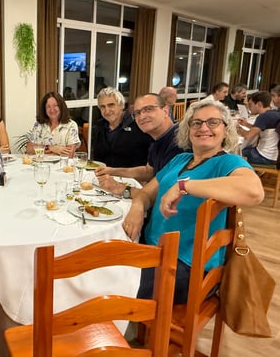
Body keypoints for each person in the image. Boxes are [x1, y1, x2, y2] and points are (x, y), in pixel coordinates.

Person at [122, 99, 264, 303]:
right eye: (196, 123)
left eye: (213, 122)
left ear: (226, 130)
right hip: (152, 249)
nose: (203, 128)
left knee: (112, 286)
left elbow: (254, 192)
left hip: (187, 265)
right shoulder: (180, 160)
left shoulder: (228, 162)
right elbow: (146, 193)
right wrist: (137, 206)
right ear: (187, 130)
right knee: (98, 266)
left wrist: (183, 186)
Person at [95, 93, 184, 198]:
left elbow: (166, 193)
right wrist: (111, 171)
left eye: (148, 109)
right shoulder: (157, 140)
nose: (142, 116)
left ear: (165, 111)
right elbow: (148, 171)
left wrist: (119, 188)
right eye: (137, 113)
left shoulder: (179, 142)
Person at [92, 87, 153, 167]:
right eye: (103, 107)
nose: (107, 111)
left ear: (121, 105)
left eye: (111, 105)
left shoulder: (138, 125)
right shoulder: (99, 126)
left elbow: (150, 162)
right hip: (103, 173)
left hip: (133, 174)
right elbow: (97, 159)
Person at [26, 92, 80, 158]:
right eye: (48, 106)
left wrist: (42, 150)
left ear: (61, 107)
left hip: (62, 164)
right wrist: (51, 148)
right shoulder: (39, 125)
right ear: (44, 109)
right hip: (40, 163)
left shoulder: (71, 126)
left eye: (55, 106)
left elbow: (69, 154)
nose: (52, 110)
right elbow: (29, 150)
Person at [238, 91, 280, 165]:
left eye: (250, 105)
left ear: (259, 104)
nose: (249, 108)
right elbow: (261, 128)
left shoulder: (263, 116)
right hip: (276, 157)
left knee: (239, 151)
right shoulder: (274, 114)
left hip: (265, 157)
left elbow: (248, 136)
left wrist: (238, 129)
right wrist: (246, 124)